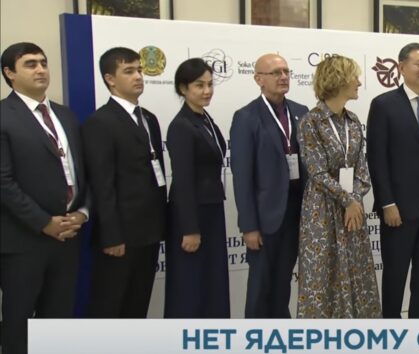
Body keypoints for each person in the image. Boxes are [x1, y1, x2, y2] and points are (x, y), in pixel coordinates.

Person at [0, 42, 89, 354]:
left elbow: (82, 172)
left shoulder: (65, 115)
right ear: (10, 73)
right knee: (19, 325)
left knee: (58, 321)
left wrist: (82, 212)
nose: (40, 69)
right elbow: (3, 182)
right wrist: (43, 222)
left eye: (43, 62)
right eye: (29, 64)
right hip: (23, 242)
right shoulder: (3, 116)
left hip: (68, 236)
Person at [82, 47, 167, 318]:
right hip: (120, 236)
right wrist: (111, 235)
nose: (138, 76)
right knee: (110, 305)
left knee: (137, 304)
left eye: (139, 70)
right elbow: (102, 184)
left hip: (149, 230)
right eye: (129, 71)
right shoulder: (100, 122)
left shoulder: (149, 118)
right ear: (110, 79)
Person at [295, 55, 381, 318]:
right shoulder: (311, 122)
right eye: (354, 77)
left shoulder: (353, 121)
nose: (358, 82)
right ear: (338, 80)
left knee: (356, 269)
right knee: (322, 273)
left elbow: (362, 168)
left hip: (351, 209)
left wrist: (354, 198)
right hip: (322, 209)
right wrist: (348, 200)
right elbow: (317, 171)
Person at [367, 42, 419, 318]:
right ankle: (390, 330)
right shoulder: (384, 105)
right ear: (401, 68)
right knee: (395, 275)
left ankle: (418, 331)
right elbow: (377, 158)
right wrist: (387, 202)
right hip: (398, 209)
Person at [230, 53, 309, 318]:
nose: (284, 77)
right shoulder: (247, 117)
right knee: (260, 286)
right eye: (276, 72)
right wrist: (249, 226)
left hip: (296, 213)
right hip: (265, 219)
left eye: (286, 71)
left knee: (283, 282)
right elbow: (242, 177)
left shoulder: (301, 112)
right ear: (258, 79)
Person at [164, 58, 229, 318]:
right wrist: (190, 229)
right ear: (183, 89)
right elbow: (183, 180)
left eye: (210, 84)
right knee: (189, 284)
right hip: (191, 214)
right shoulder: (181, 125)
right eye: (199, 85)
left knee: (211, 281)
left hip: (211, 208)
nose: (207, 90)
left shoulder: (205, 120)